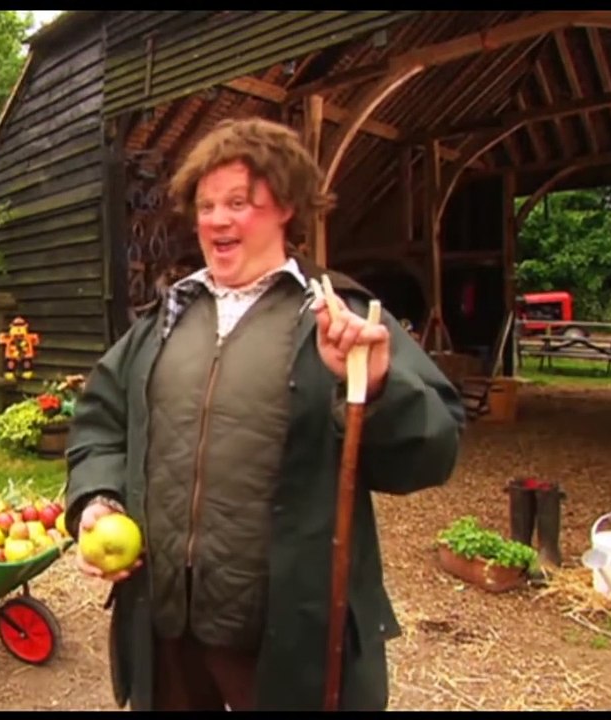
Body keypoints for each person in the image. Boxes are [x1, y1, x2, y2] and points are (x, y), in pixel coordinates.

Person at [63, 117, 466, 712]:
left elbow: (431, 455)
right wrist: (98, 500)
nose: (217, 219)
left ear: (286, 206)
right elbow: (100, 421)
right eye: (206, 205)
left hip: (285, 633)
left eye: (239, 202)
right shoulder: (164, 320)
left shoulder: (337, 315)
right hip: (166, 622)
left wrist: (373, 383)